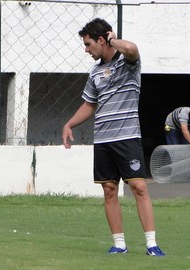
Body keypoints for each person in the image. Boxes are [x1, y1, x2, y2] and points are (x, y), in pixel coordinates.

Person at [61, 18, 165, 256]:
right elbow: (89, 104)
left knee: (139, 187)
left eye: (88, 44)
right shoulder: (95, 72)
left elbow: (131, 49)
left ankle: (151, 244)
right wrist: (69, 124)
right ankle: (119, 244)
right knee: (109, 190)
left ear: (101, 39)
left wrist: (112, 39)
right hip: (103, 140)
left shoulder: (128, 63)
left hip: (128, 137)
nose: (86, 50)